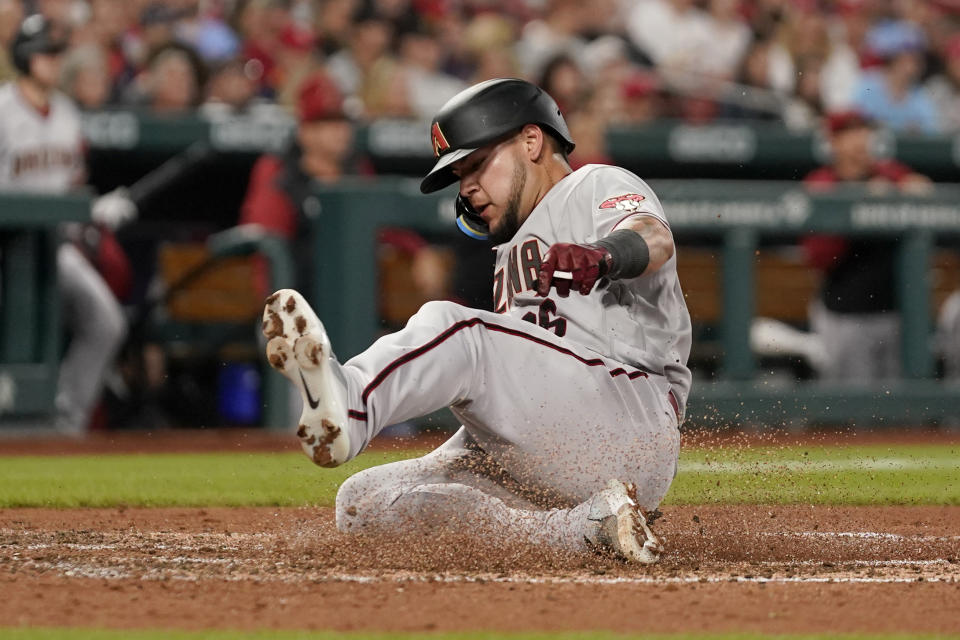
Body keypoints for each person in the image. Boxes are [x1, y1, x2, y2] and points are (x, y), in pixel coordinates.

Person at [260, 78, 691, 564]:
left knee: (459, 329)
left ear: (532, 141)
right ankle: (587, 527)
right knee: (363, 502)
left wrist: (605, 255)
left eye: (477, 164)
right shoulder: (512, 248)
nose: (467, 186)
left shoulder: (592, 184)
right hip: (557, 439)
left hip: (628, 415)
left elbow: (653, 237)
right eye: (459, 173)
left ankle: (351, 403)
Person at [0, 14, 133, 434]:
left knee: (106, 322)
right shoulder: (3, 109)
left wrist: (91, 209)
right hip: (5, 246)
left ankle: (65, 423)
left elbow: (73, 184)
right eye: (46, 53)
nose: (54, 62)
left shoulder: (66, 114)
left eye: (58, 55)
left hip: (52, 246)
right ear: (25, 56)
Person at [801, 110, 931, 383]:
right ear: (834, 141)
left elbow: (921, 188)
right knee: (848, 414)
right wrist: (859, 206)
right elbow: (818, 256)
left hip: (895, 315)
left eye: (863, 131)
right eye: (850, 132)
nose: (860, 139)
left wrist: (903, 191)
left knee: (899, 414)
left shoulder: (887, 173)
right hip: (845, 315)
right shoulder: (822, 182)